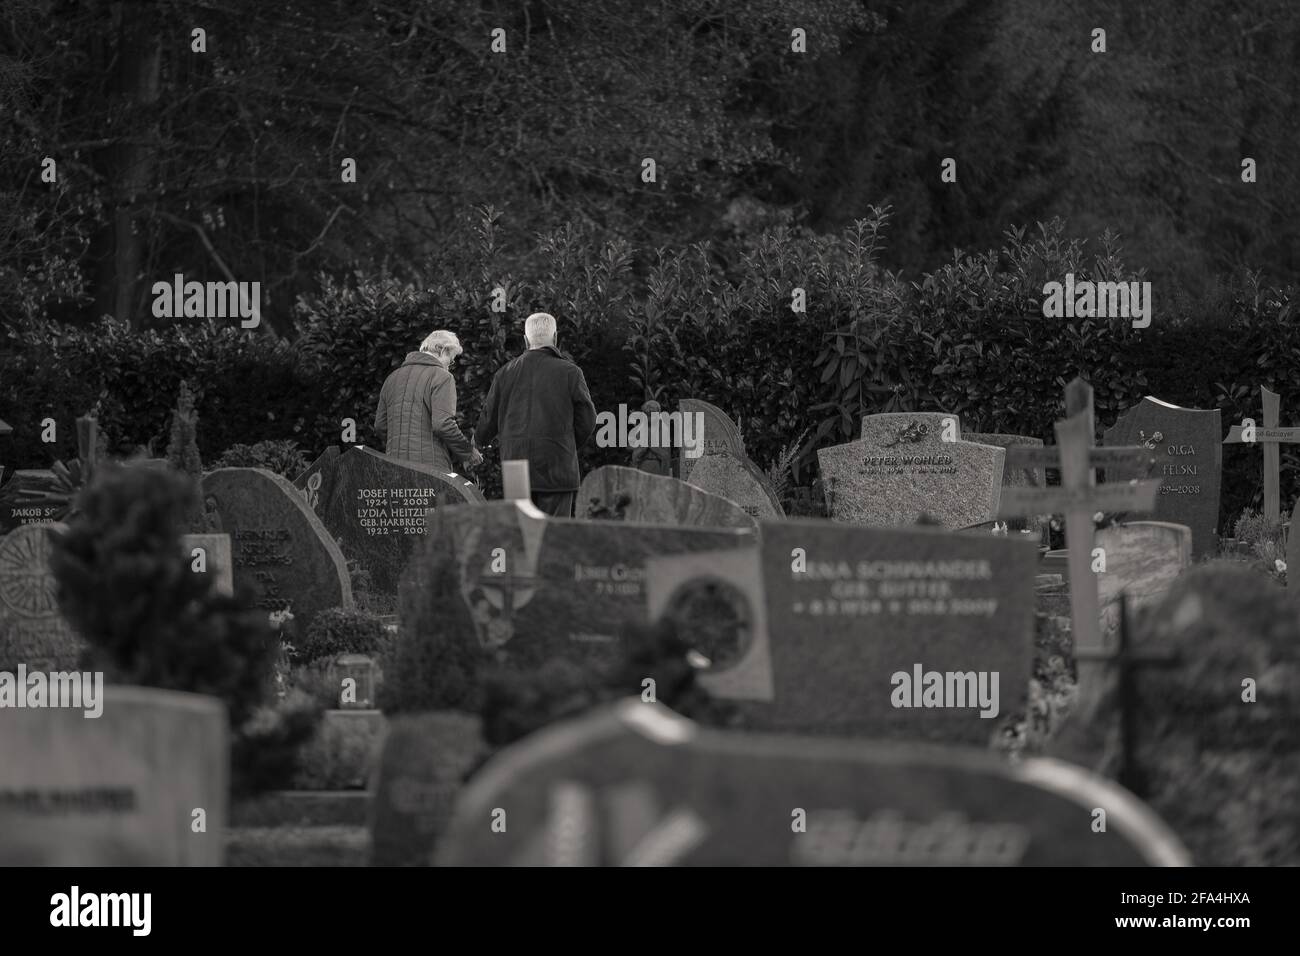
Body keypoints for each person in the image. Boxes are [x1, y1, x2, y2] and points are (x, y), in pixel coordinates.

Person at [474, 312, 597, 517]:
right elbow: (587, 419)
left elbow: (488, 420)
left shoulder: (504, 373)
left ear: (525, 340)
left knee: (523, 537)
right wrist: (566, 443)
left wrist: (477, 441)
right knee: (553, 537)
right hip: (558, 465)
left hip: (516, 468)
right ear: (555, 338)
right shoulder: (571, 372)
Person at [374, 330, 483, 473]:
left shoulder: (392, 378)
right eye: (451, 359)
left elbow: (380, 426)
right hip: (430, 468)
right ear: (443, 350)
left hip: (394, 466)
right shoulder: (442, 376)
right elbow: (442, 424)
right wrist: (468, 452)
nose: (450, 365)